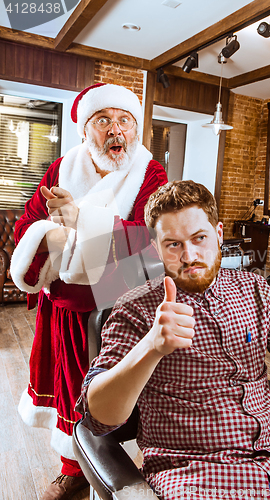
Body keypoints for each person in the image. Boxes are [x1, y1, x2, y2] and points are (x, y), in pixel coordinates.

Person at [79, 180, 270, 500]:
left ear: (219, 234)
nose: (190, 255)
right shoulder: (136, 307)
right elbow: (97, 419)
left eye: (200, 238)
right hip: (196, 480)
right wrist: (150, 347)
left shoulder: (253, 290)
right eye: (173, 244)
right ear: (156, 248)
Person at [10, 83, 167, 500]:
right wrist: (50, 233)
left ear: (136, 129)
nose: (116, 131)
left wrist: (80, 220)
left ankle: (122, 463)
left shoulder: (151, 174)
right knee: (64, 385)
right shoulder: (61, 168)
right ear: (85, 129)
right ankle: (72, 468)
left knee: (116, 389)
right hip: (61, 304)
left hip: (119, 303)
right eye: (104, 121)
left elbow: (153, 237)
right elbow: (27, 223)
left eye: (125, 121)